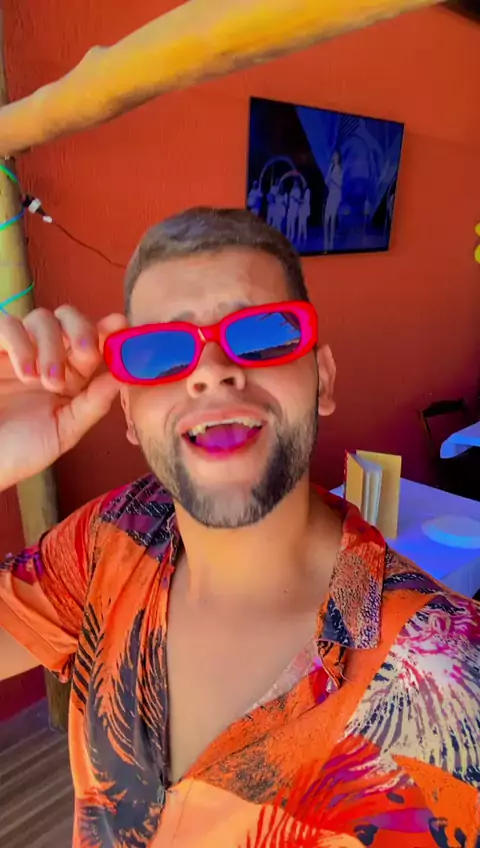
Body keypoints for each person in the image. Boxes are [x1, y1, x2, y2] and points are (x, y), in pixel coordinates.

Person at [0, 208, 478, 848]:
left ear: (322, 378)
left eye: (261, 335)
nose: (212, 370)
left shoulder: (454, 683)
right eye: (162, 352)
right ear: (129, 414)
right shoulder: (109, 538)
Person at [323, 150, 343, 251]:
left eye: (335, 156)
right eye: (333, 155)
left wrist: (333, 181)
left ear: (338, 158)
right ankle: (326, 239)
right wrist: (328, 174)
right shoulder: (331, 168)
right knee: (326, 218)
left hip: (336, 195)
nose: (334, 157)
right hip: (330, 195)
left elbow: (340, 184)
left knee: (332, 218)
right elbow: (326, 182)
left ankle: (331, 240)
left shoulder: (339, 169)